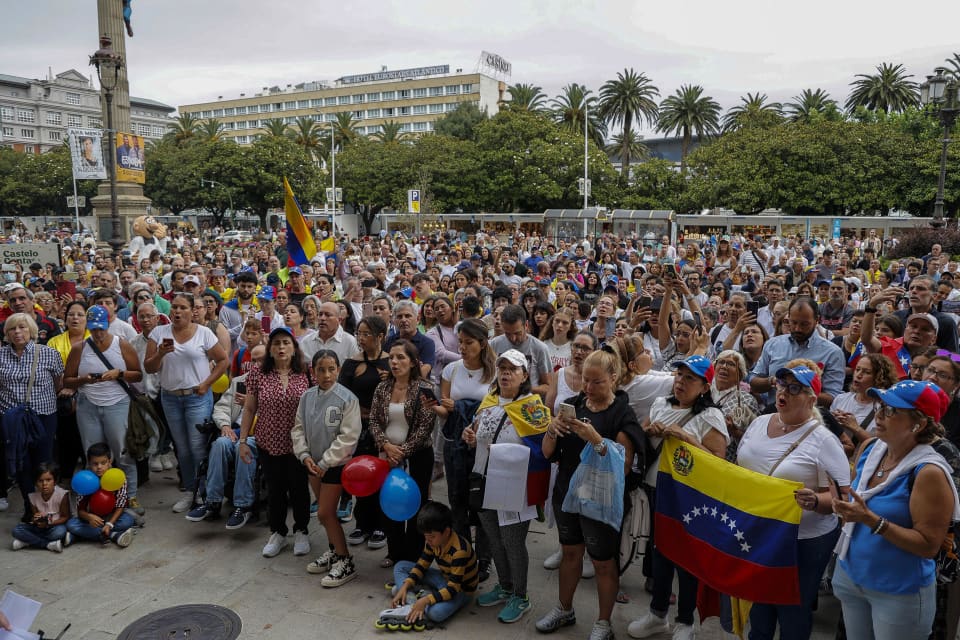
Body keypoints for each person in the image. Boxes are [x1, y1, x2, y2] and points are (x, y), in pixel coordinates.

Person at [832, 380, 960, 640]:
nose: (879, 415)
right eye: (881, 406)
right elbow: (857, 505)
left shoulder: (929, 472)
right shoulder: (870, 449)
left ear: (919, 424)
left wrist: (871, 520)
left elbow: (927, 546)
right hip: (851, 576)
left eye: (891, 411)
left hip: (898, 592)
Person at [736, 364, 851, 640]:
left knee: (792, 610)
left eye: (794, 388)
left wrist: (816, 500)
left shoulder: (824, 440)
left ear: (812, 400)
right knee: (759, 603)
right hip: (760, 530)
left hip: (804, 539)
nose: (783, 392)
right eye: (780, 384)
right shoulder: (760, 423)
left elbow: (842, 497)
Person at [538, 348, 645, 640]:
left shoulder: (622, 414)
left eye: (596, 381)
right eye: (585, 380)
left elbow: (623, 468)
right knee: (570, 553)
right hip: (567, 494)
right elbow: (548, 453)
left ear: (614, 378)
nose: (588, 388)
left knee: (602, 562)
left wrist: (597, 440)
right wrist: (551, 429)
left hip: (601, 501)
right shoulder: (573, 406)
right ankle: (564, 608)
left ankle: (603, 622)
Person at [628, 355, 727, 640]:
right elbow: (641, 432)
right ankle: (657, 614)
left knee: (685, 559)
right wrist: (648, 430)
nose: (681, 382)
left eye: (690, 378)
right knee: (660, 554)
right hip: (656, 490)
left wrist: (686, 438)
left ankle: (686, 621)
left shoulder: (711, 417)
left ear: (705, 387)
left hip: (688, 498)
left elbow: (719, 462)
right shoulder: (661, 404)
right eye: (679, 375)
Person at [463, 349, 550, 623]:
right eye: (502, 368)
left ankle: (521, 596)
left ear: (525, 375)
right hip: (485, 480)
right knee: (493, 539)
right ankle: (505, 586)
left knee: (513, 542)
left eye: (513, 369)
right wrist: (470, 435)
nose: (506, 373)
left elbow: (544, 452)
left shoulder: (533, 408)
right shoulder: (489, 401)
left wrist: (503, 452)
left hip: (515, 488)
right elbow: (478, 431)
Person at [145, 293, 229, 513]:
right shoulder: (158, 333)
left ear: (193, 311)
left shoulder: (204, 334)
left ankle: (206, 493)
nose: (177, 311)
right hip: (170, 398)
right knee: (181, 449)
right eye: (174, 307)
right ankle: (190, 492)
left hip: (197, 397)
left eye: (183, 307)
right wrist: (160, 354)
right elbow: (149, 368)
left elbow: (223, 361)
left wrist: (206, 384)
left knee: (198, 447)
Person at [238, 327, 314, 558]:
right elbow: (250, 408)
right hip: (268, 442)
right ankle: (278, 533)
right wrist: (242, 441)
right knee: (275, 490)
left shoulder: (306, 373)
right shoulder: (257, 373)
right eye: (276, 343)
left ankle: (301, 530)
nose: (281, 348)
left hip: (298, 444)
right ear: (270, 349)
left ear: (294, 347)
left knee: (299, 489)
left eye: (286, 343)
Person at [63, 305, 144, 514]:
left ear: (108, 325)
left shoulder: (121, 344)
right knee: (93, 454)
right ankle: (96, 498)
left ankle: (131, 495)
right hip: (88, 405)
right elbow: (68, 380)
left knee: (122, 452)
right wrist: (83, 379)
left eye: (101, 328)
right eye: (93, 328)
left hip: (117, 404)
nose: (98, 333)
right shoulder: (80, 348)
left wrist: (119, 373)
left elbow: (138, 374)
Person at [431, 318, 496, 578]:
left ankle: (484, 558)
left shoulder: (493, 372)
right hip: (455, 445)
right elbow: (446, 411)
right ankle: (461, 554)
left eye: (468, 342)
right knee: (457, 500)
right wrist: (438, 407)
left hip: (482, 446)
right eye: (460, 341)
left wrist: (463, 410)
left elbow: (495, 409)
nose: (462, 347)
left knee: (481, 503)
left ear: (481, 344)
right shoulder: (452, 370)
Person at [296, 350, 362, 587]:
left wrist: (325, 462)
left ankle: (346, 561)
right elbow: (298, 428)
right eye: (321, 369)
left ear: (338, 368)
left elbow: (349, 436)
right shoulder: (307, 397)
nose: (326, 374)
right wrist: (304, 455)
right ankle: (335, 550)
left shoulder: (347, 398)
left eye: (331, 369)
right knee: (327, 516)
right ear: (313, 371)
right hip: (312, 463)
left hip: (334, 465)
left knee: (324, 512)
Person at [370, 339, 438, 565]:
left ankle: (413, 554)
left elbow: (425, 427)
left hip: (417, 456)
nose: (395, 362)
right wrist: (386, 446)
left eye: (401, 357)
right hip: (387, 456)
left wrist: (402, 452)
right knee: (391, 503)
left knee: (415, 505)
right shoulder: (383, 387)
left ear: (413, 362)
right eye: (391, 358)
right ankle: (394, 552)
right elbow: (374, 421)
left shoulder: (425, 388)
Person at [185, 344, 266, 529]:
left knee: (241, 447)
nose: (257, 364)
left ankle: (243, 505)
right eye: (254, 360)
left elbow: (278, 415)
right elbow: (221, 407)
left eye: (262, 359)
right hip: (236, 429)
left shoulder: (274, 383)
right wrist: (225, 425)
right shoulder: (240, 381)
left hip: (260, 432)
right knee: (220, 443)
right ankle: (212, 502)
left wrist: (253, 403)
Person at [0, 313, 64, 520]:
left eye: (22, 327)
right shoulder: (1, 355)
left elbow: (58, 383)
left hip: (43, 416)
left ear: (32, 331)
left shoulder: (47, 353)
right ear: (6, 333)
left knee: (43, 463)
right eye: (12, 329)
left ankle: (47, 508)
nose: (17, 332)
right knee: (21, 464)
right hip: (13, 420)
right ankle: (31, 509)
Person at [339, 316, 391, 550]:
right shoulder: (351, 363)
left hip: (386, 427)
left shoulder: (392, 362)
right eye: (359, 333)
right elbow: (342, 394)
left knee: (382, 475)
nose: (361, 338)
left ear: (380, 336)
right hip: (358, 427)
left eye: (366, 333)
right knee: (360, 472)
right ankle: (362, 523)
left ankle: (382, 524)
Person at [389, 501, 479, 625]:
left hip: (460, 590)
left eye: (431, 537)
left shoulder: (459, 551)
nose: (428, 540)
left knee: (436, 614)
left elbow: (453, 588)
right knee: (400, 566)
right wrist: (406, 585)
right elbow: (421, 565)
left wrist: (426, 600)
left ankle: (416, 599)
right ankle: (409, 594)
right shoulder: (432, 542)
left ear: (446, 532)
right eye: (426, 537)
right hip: (444, 578)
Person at [750, 297, 845, 407]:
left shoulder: (832, 353)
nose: (797, 328)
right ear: (788, 318)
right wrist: (773, 381)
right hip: (774, 412)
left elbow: (832, 397)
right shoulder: (773, 344)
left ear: (816, 321)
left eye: (804, 324)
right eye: (793, 322)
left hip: (811, 417)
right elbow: (754, 382)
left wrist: (798, 391)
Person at [65, 442, 135, 547]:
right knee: (71, 524)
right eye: (95, 463)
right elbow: (80, 510)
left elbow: (121, 505)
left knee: (127, 521)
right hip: (93, 519)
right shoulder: (85, 479)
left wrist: (110, 524)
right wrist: (89, 517)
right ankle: (114, 535)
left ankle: (81, 535)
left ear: (109, 462)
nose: (99, 467)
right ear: (89, 463)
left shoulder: (117, 477)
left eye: (103, 463)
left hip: (112, 516)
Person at [830, 354, 898, 446]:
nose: (858, 375)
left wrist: (855, 428)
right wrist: (833, 422)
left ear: (879, 377)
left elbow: (882, 447)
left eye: (867, 372)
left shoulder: (885, 407)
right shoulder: (841, 399)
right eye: (857, 369)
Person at [490, 304, 553, 397]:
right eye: (507, 333)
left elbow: (548, 386)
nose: (513, 338)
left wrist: (523, 389)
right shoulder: (495, 344)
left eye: (517, 333)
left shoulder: (540, 348)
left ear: (526, 325)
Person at [711, 350, 760, 461]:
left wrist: (734, 432)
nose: (724, 366)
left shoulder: (744, 401)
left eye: (731, 364)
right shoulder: (702, 390)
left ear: (740, 374)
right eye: (721, 362)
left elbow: (752, 441)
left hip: (724, 460)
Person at [11, 463, 70, 552]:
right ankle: (48, 544)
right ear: (35, 483)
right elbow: (35, 517)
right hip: (39, 528)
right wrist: (35, 519)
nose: (44, 484)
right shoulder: (33, 497)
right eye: (40, 481)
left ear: (55, 481)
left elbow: (65, 517)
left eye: (48, 480)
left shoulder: (62, 495)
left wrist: (49, 523)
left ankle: (28, 542)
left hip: (55, 526)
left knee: (60, 532)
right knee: (16, 530)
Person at [301, 301, 358, 366]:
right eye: (320, 314)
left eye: (328, 315)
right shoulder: (306, 342)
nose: (322, 318)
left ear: (339, 320)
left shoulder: (349, 342)